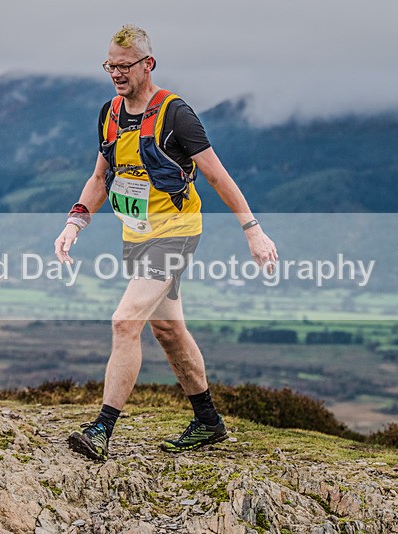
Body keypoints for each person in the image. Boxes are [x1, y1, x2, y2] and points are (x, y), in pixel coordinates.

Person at [54, 24, 278, 461]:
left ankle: (102, 428)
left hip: (175, 234)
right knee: (169, 330)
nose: (116, 74)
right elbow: (101, 177)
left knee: (125, 321)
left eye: (124, 66)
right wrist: (74, 223)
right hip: (136, 236)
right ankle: (209, 421)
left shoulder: (177, 115)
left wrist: (253, 230)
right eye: (110, 66)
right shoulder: (110, 113)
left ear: (147, 64)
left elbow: (215, 174)